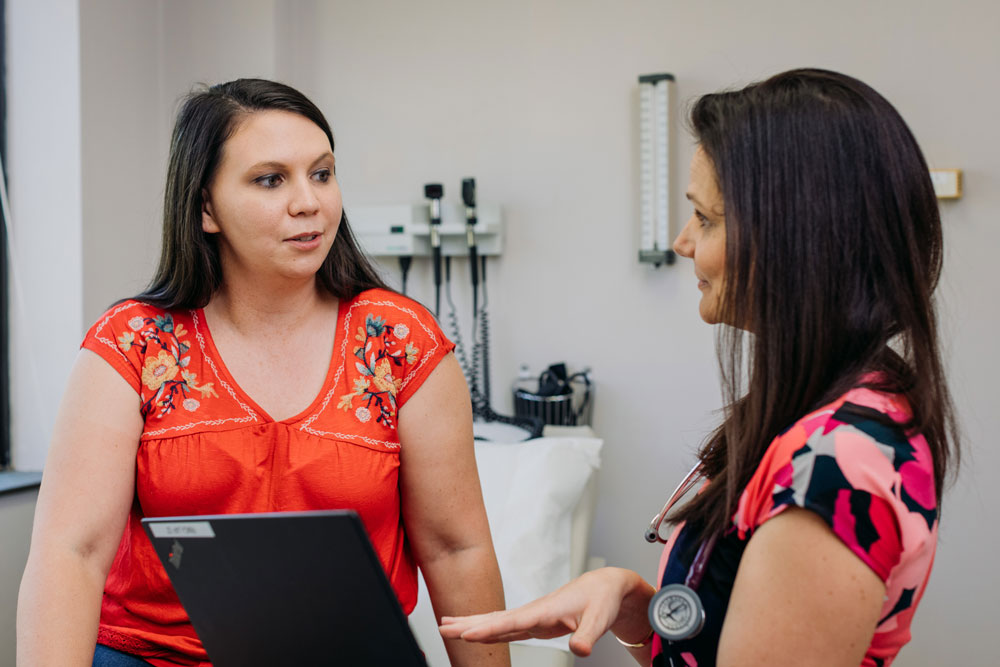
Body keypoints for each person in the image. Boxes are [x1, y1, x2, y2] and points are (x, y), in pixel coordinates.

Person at [440, 68, 959, 666]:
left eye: (706, 219)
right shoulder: (832, 407)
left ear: (795, 240)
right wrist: (638, 608)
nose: (684, 243)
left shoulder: (837, 463)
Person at [17, 78, 509, 667]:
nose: (309, 202)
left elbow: (457, 549)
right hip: (155, 656)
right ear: (205, 208)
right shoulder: (133, 344)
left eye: (322, 174)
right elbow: (70, 552)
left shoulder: (400, 341)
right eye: (270, 179)